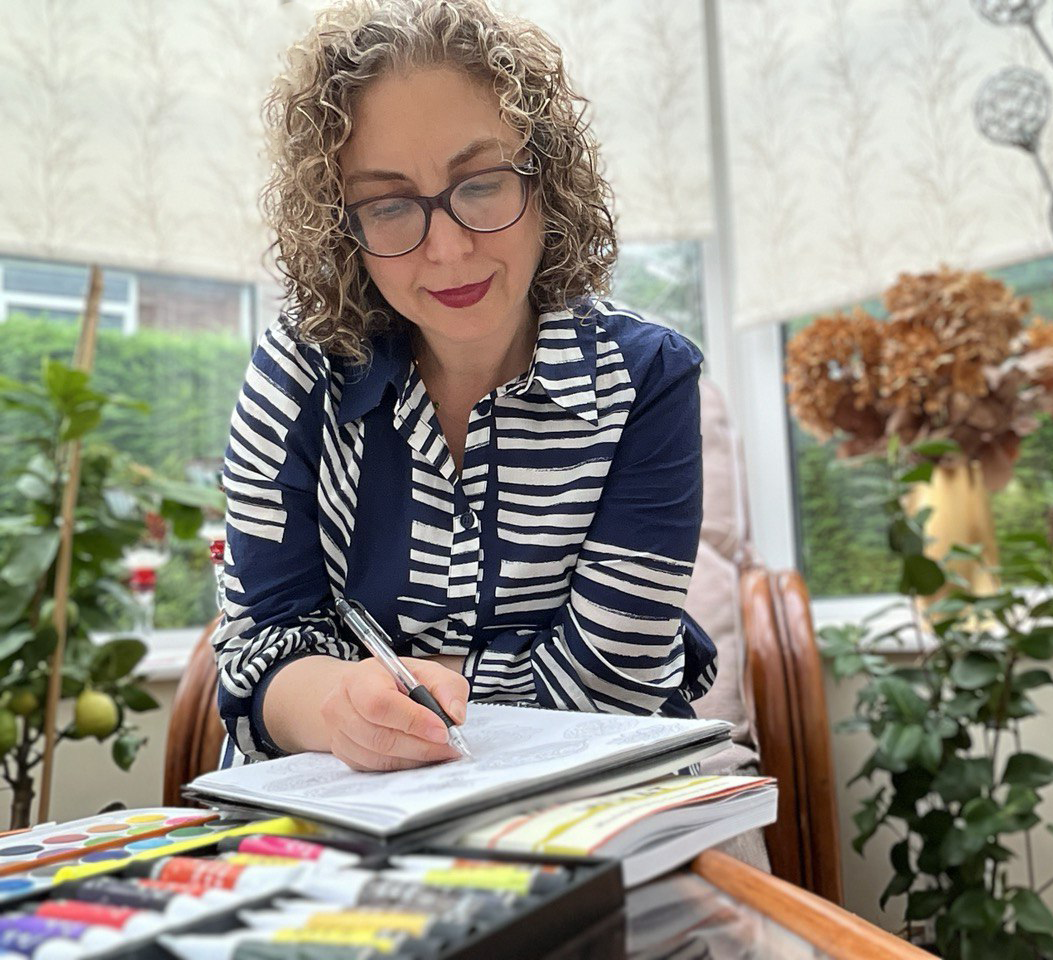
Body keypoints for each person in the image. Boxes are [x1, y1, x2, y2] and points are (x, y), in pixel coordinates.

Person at [212, 0, 718, 772]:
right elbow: (262, 648)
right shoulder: (296, 368)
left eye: (480, 184)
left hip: (573, 797)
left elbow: (612, 682)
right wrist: (337, 705)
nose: (446, 251)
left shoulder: (646, 380)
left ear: (547, 181)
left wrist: (433, 735)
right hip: (341, 807)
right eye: (387, 205)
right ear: (338, 224)